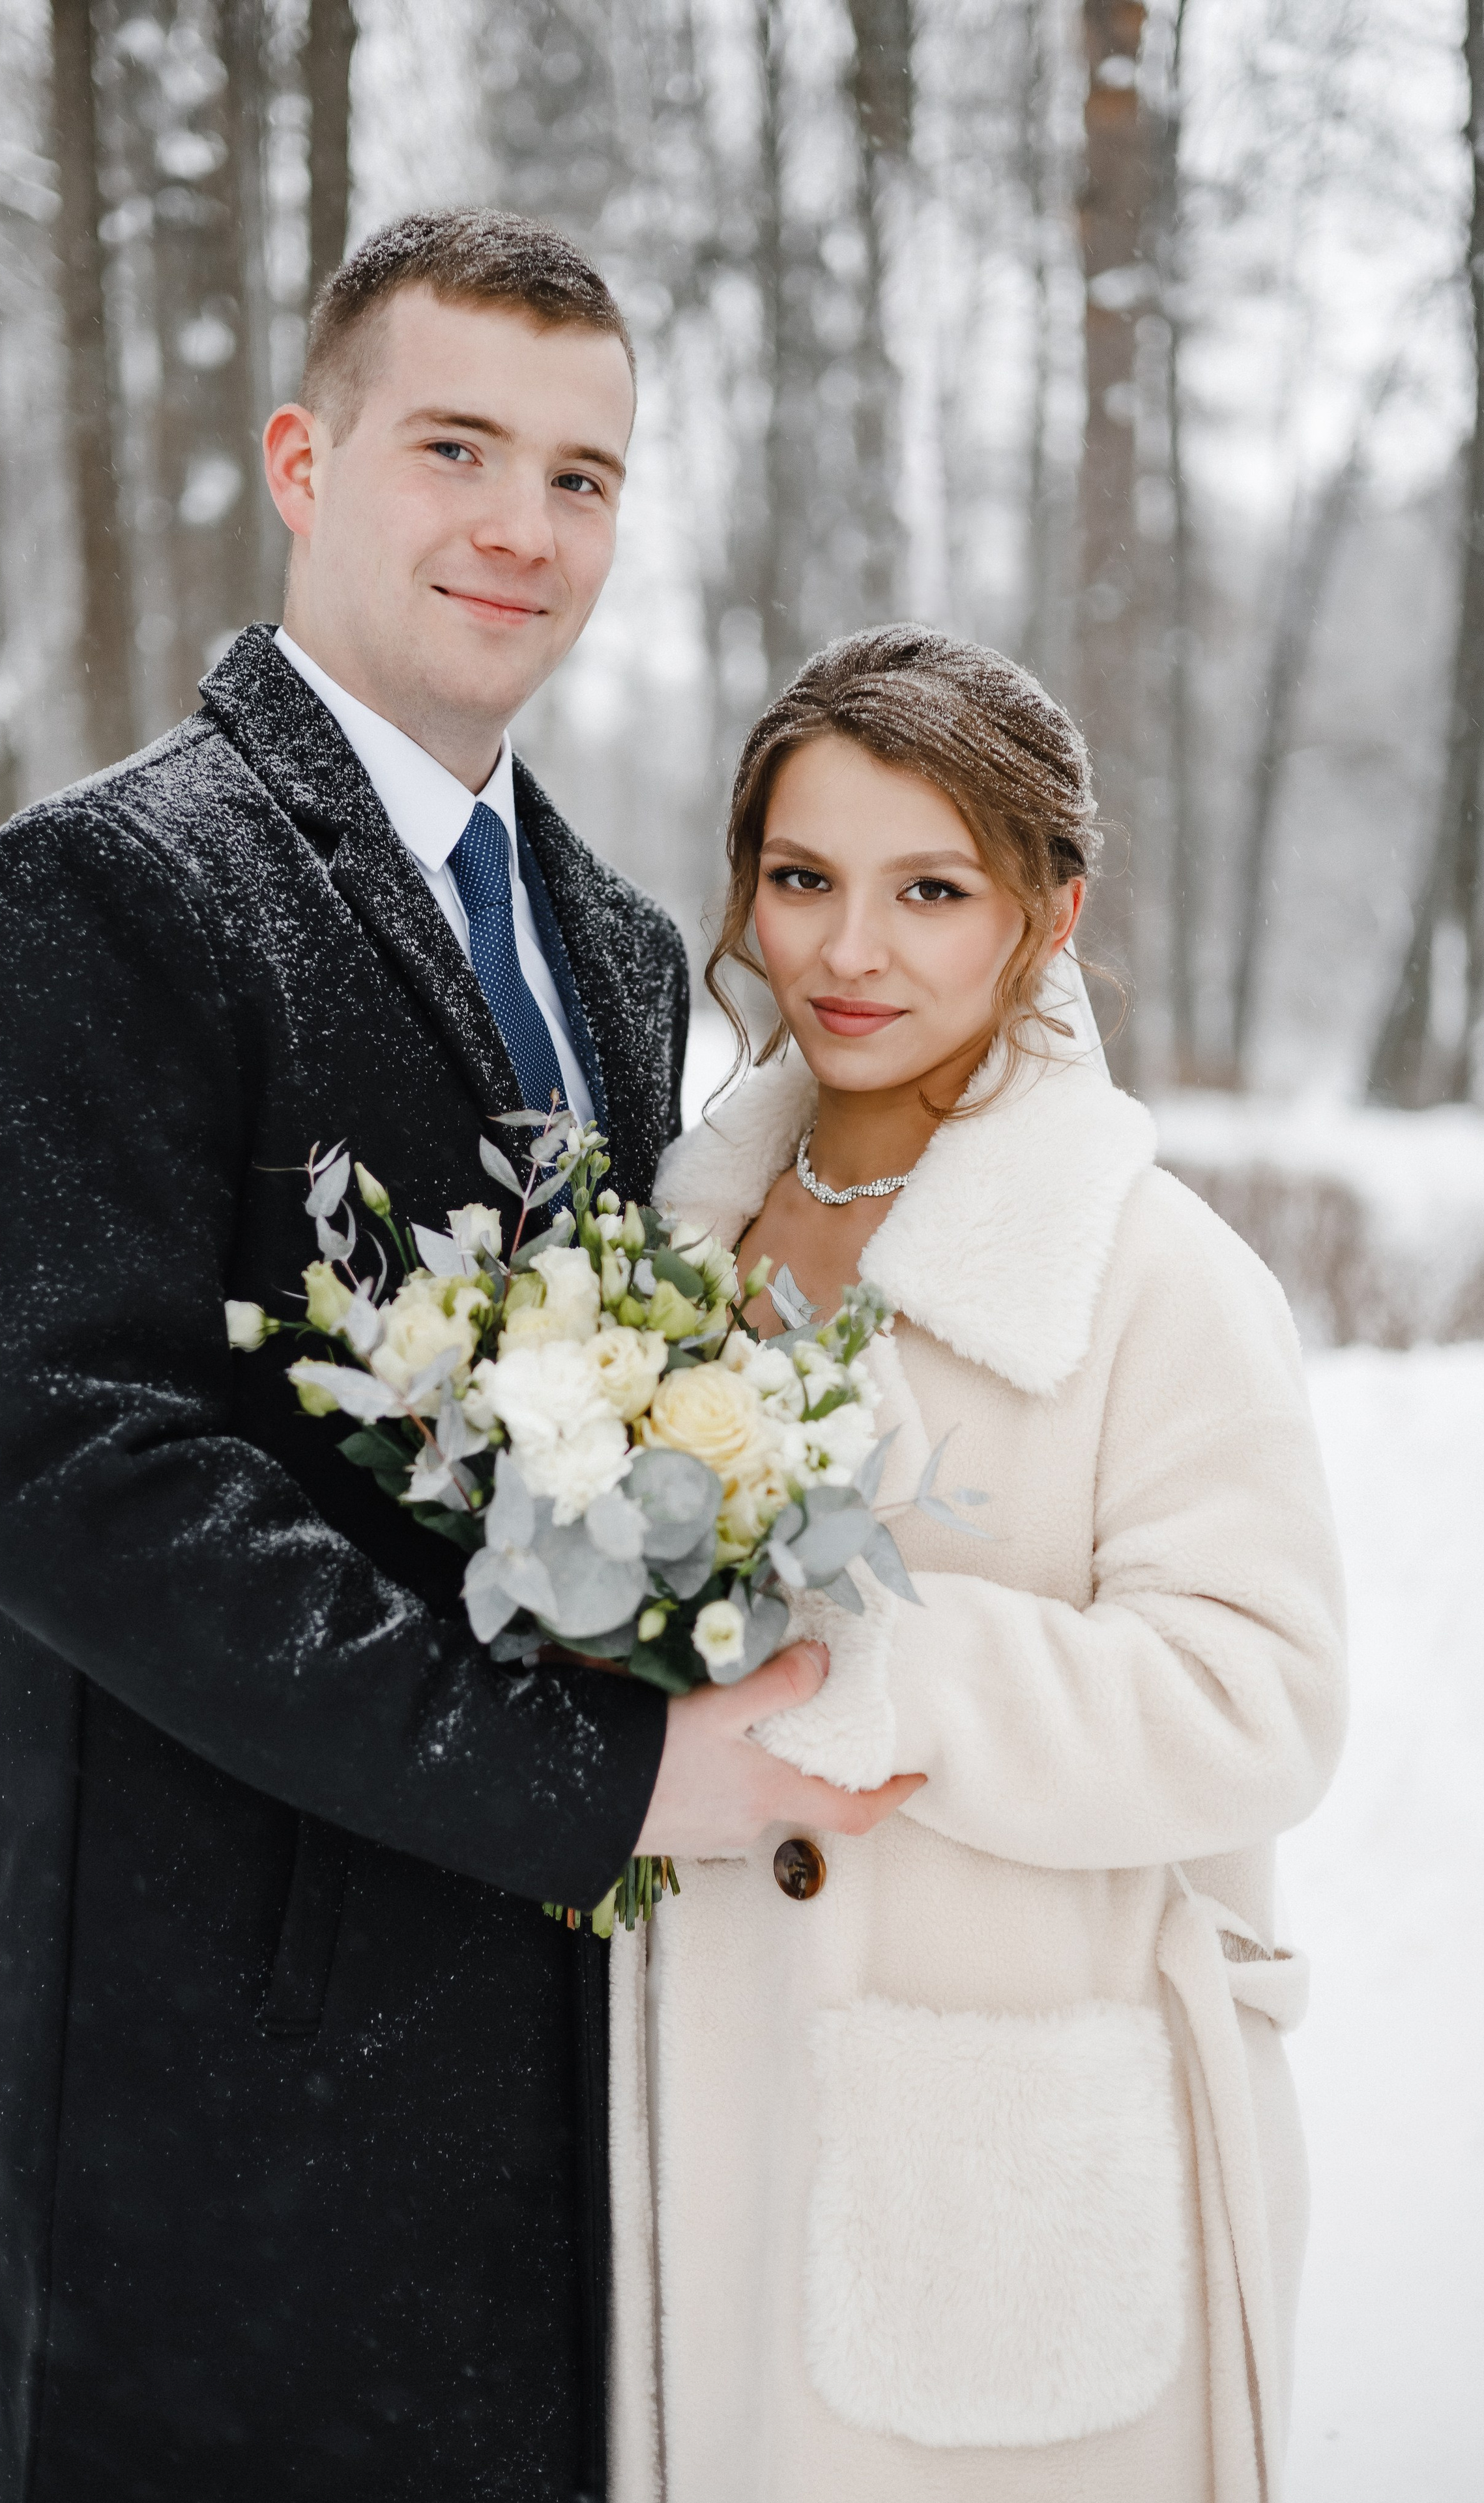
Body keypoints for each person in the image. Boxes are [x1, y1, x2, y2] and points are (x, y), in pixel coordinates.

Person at [0, 212, 916, 2503]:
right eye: (455, 446)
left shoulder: (624, 945)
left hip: (568, 2073)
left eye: (582, 474)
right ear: (301, 457)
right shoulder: (103, 893)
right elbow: (73, 1471)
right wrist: (593, 1785)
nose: (520, 527)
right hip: (236, 2071)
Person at [613, 625, 1348, 2503]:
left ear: (1048, 913)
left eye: (929, 890)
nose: (850, 952)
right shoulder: (655, 1255)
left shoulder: (1153, 1274)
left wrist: (851, 1667)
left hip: (1005, 2165)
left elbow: (1258, 1705)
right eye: (803, 880)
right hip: (702, 2124)